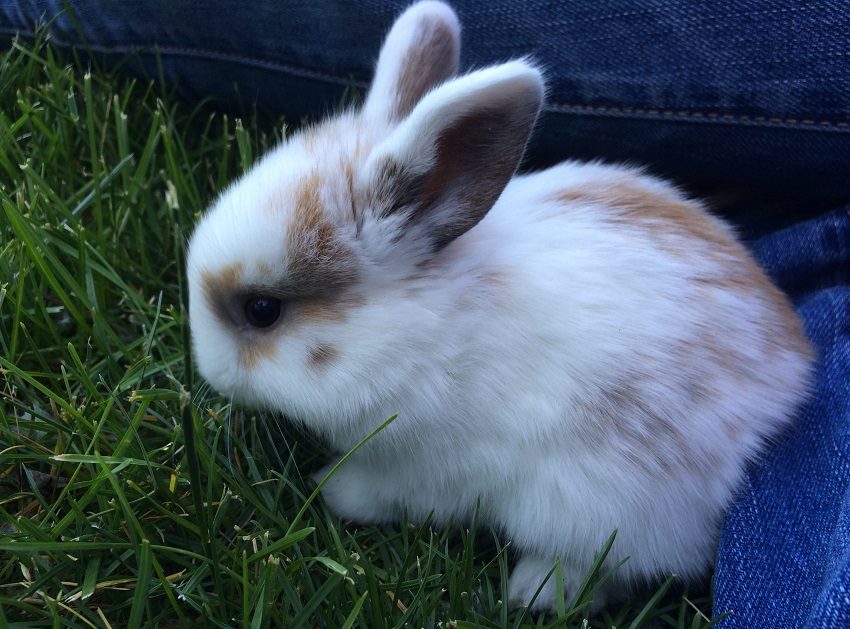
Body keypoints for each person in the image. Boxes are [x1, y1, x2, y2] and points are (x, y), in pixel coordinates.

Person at [2, 2, 847, 626]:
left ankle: (590, 567)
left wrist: (376, 481)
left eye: (261, 312)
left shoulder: (446, 354)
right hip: (722, 343)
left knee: (576, 510)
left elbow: (452, 467)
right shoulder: (450, 315)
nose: (214, 357)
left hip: (668, 454)